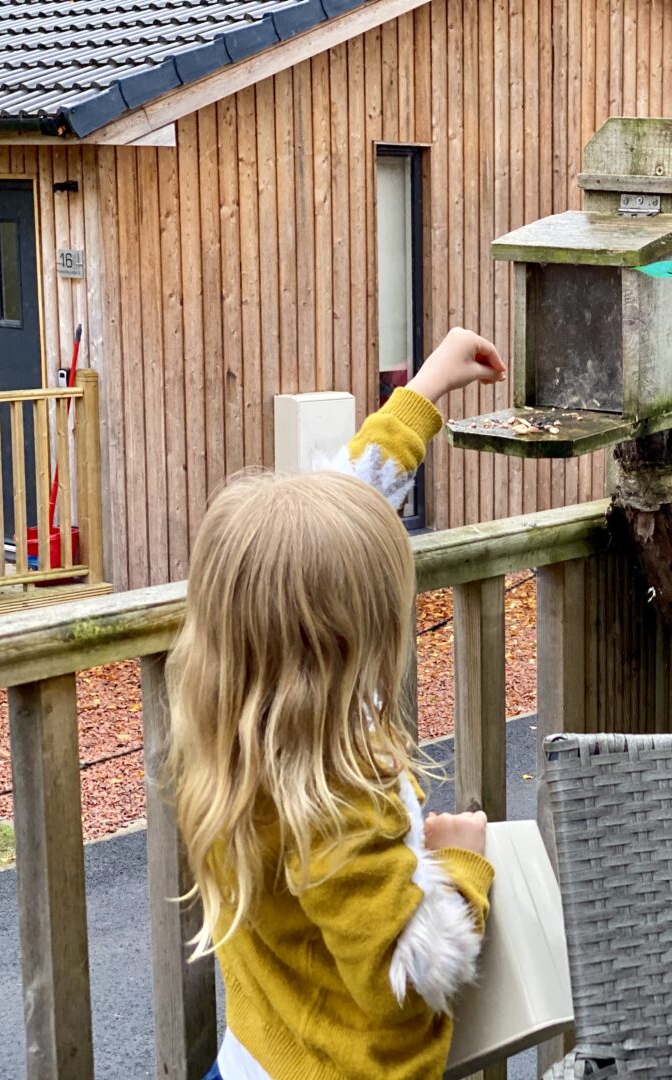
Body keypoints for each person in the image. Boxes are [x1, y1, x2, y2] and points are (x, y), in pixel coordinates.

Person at [165, 329, 508, 1080]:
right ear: (347, 640)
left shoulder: (247, 726)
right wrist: (460, 866)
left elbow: (339, 512)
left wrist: (423, 395)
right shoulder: (340, 799)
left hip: (257, 1054)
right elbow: (408, 976)